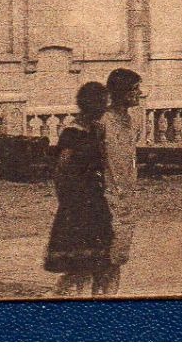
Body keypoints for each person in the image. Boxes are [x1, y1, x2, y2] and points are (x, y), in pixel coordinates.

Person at [43, 81, 113, 297]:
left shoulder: (98, 129)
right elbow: (62, 167)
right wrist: (66, 198)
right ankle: (64, 293)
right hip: (77, 198)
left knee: (98, 253)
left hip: (95, 195)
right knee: (77, 257)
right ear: (89, 104)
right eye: (101, 102)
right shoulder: (72, 132)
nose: (105, 107)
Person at [95, 68, 144, 296]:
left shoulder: (133, 123)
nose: (139, 94)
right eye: (135, 90)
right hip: (105, 199)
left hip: (126, 200)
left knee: (117, 259)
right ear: (122, 92)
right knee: (102, 261)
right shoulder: (102, 122)